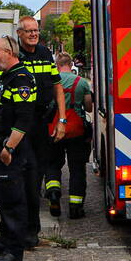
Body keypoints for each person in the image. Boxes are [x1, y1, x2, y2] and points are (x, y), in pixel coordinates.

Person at [0, 15, 65, 245]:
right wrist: (4, 103)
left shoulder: (45, 54)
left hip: (39, 124)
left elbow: (57, 86)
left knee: (35, 178)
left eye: (36, 30)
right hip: (19, 125)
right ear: (19, 34)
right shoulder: (12, 57)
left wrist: (62, 119)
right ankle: (14, 234)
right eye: (29, 31)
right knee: (16, 180)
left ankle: (30, 232)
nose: (34, 34)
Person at [0, 36, 36, 261]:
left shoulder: (22, 79)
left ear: (9, 52)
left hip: (11, 148)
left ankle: (14, 250)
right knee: (2, 197)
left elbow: (24, 119)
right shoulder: (5, 75)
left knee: (13, 200)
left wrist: (9, 147)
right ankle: (5, 240)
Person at [45, 52, 93, 218]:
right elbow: (88, 107)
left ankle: (53, 193)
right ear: (71, 65)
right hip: (76, 130)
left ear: (57, 65)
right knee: (77, 168)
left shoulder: (51, 81)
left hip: (54, 128)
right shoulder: (81, 82)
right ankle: (75, 208)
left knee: (52, 164)